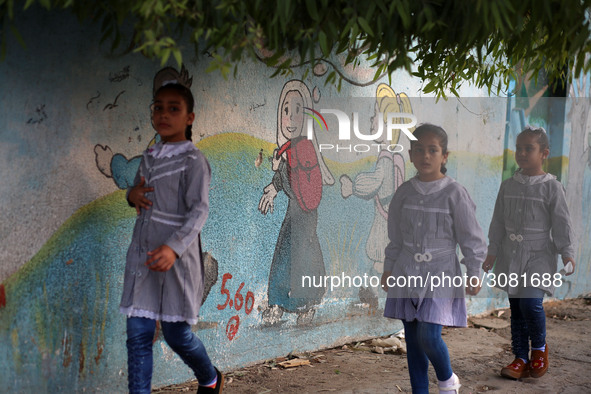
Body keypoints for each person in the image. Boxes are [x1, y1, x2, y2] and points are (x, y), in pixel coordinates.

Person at [121, 82, 223, 393]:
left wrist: (173, 248)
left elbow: (199, 211)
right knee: (138, 335)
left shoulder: (194, 162)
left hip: (176, 263)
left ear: (189, 117)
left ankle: (210, 378)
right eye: (158, 107)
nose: (164, 114)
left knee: (177, 335)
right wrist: (131, 194)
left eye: (173, 108)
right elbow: (139, 194)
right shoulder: (149, 156)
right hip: (144, 258)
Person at [381, 124, 487, 394]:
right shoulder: (404, 192)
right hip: (406, 271)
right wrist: (389, 268)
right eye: (419, 150)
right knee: (414, 341)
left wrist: (475, 270)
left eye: (433, 150)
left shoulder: (455, 193)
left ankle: (447, 380)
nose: (426, 156)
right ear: (411, 154)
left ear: (445, 156)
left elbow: (471, 237)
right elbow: (396, 237)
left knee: (429, 335)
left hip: (441, 271)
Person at [482, 126, 576, 380]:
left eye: (529, 148)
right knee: (516, 307)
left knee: (530, 304)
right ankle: (520, 357)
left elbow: (562, 223)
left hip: (539, 255)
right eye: (519, 148)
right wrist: (492, 252)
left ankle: (539, 349)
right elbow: (498, 221)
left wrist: (567, 253)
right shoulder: (508, 186)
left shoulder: (552, 188)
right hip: (510, 255)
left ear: (544, 153)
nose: (522, 153)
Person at [258, 80, 333, 325]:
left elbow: (296, 187)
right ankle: (280, 303)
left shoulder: (303, 149)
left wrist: (278, 177)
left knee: (302, 258)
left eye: (297, 111)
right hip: (296, 214)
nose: (290, 118)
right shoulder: (291, 149)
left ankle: (304, 305)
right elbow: (287, 179)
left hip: (304, 215)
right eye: (286, 111)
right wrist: (273, 186)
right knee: (285, 257)